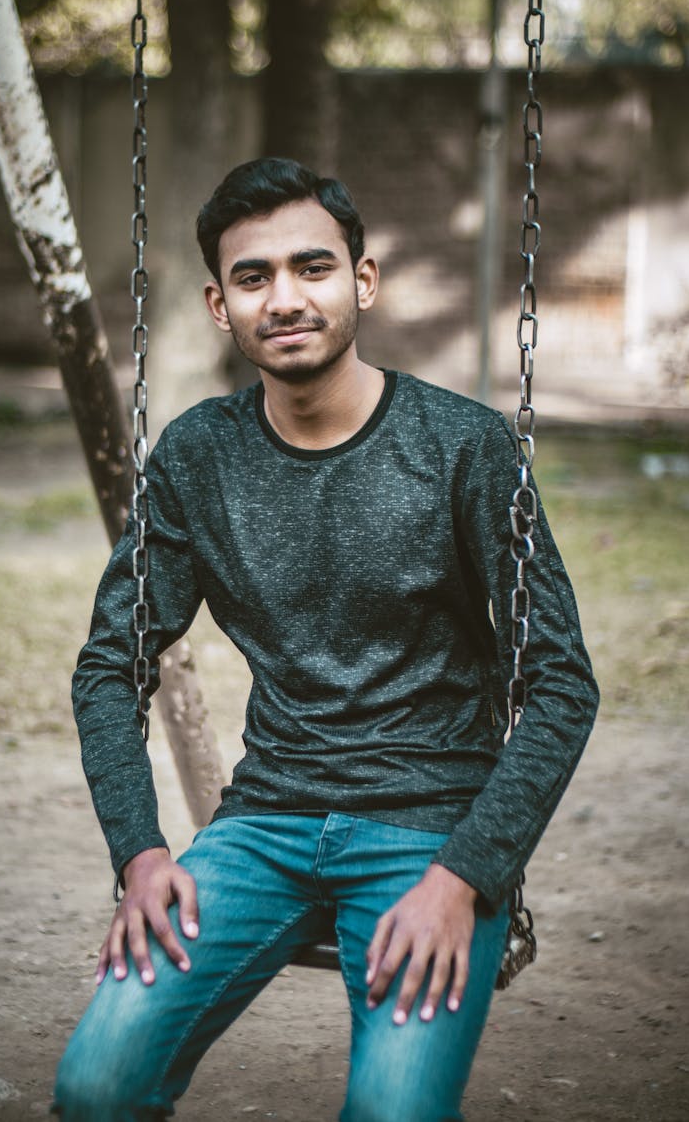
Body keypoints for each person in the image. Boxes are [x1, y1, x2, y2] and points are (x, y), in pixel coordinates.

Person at [53, 157, 598, 1122]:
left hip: (429, 832)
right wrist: (140, 855)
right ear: (222, 307)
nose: (287, 298)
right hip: (264, 822)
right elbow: (109, 664)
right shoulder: (197, 456)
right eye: (254, 278)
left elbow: (559, 683)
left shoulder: (465, 450)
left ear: (363, 281)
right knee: (95, 1084)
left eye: (313, 267)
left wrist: (467, 879)